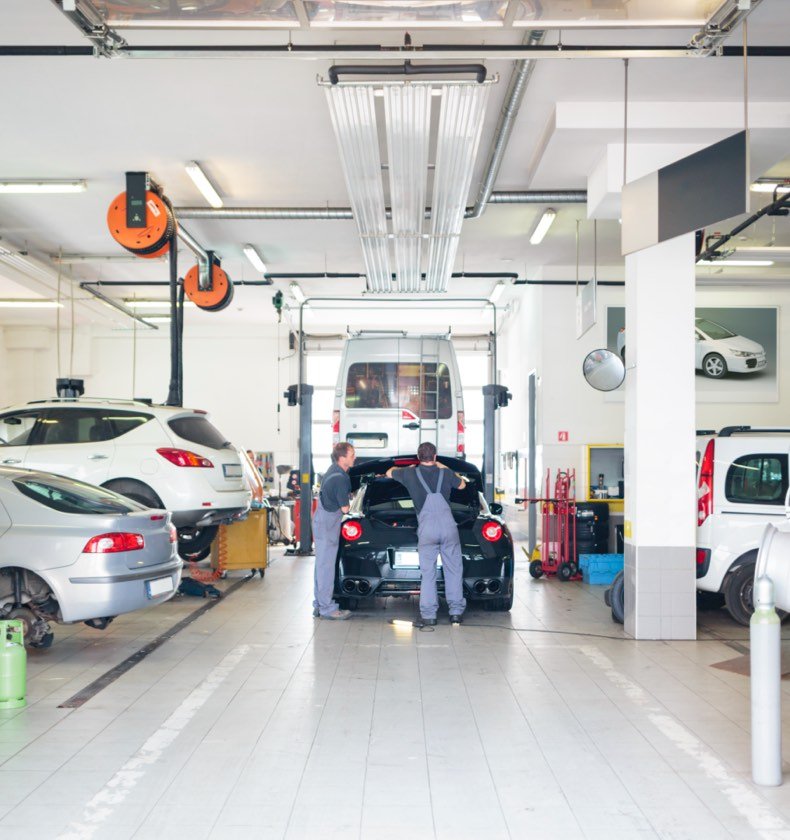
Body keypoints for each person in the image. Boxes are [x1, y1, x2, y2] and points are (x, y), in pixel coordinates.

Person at [386, 442, 467, 625]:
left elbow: (389, 472)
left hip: (427, 529)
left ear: (418, 457)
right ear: (435, 456)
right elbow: (462, 485)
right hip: (448, 528)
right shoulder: (446, 473)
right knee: (453, 570)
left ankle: (429, 616)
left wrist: (409, 468)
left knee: (428, 572)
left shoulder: (409, 474)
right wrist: (442, 466)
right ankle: (455, 612)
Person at [312, 442, 356, 620]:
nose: (355, 458)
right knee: (326, 566)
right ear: (342, 457)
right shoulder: (340, 478)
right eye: (352, 455)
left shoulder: (333, 470)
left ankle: (319, 604)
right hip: (327, 523)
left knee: (322, 565)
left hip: (323, 520)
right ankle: (327, 608)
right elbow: (345, 509)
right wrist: (351, 500)